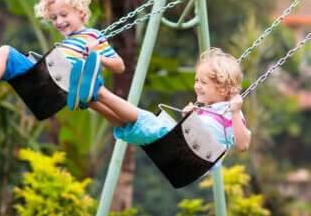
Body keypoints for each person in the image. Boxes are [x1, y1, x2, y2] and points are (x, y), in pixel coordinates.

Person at [82, 47, 251, 151]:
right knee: (128, 124)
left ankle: (99, 91)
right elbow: (197, 132)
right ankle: (90, 100)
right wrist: (189, 118)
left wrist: (236, 112)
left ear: (223, 88)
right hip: (182, 149)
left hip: (193, 155)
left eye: (203, 82)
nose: (197, 86)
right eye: (196, 80)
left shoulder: (230, 111)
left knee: (145, 118)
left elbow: (243, 145)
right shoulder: (206, 110)